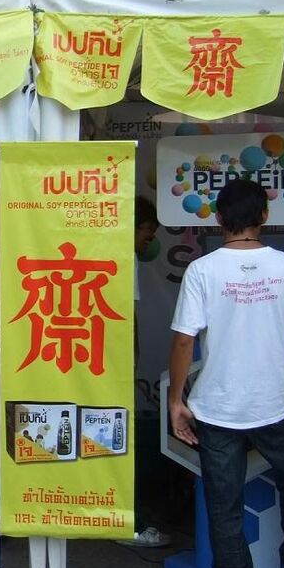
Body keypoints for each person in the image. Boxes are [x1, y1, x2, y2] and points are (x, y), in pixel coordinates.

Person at [168, 179, 284, 568]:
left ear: (219, 219)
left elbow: (184, 340)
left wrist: (175, 402)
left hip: (217, 408)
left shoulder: (202, 270)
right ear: (265, 215)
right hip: (277, 404)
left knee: (225, 512)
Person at [118, 196, 172, 547]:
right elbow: (126, 315)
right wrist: (132, 357)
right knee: (121, 441)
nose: (148, 241)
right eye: (146, 232)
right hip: (115, 363)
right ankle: (128, 523)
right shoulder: (126, 258)